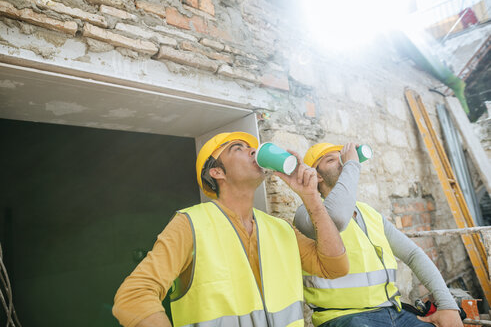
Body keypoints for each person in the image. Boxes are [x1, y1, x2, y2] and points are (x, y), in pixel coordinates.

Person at [112, 132, 349, 327]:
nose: (254, 151)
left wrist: (312, 199)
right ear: (217, 172)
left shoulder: (280, 229)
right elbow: (133, 297)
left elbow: (335, 267)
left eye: (252, 147)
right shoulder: (189, 224)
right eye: (238, 148)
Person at [294, 142, 463, 327]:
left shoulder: (370, 214)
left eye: (341, 157)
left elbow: (413, 255)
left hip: (393, 312)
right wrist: (351, 164)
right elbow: (337, 218)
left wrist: (448, 306)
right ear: (317, 175)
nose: (341, 161)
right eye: (331, 160)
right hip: (343, 318)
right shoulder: (306, 214)